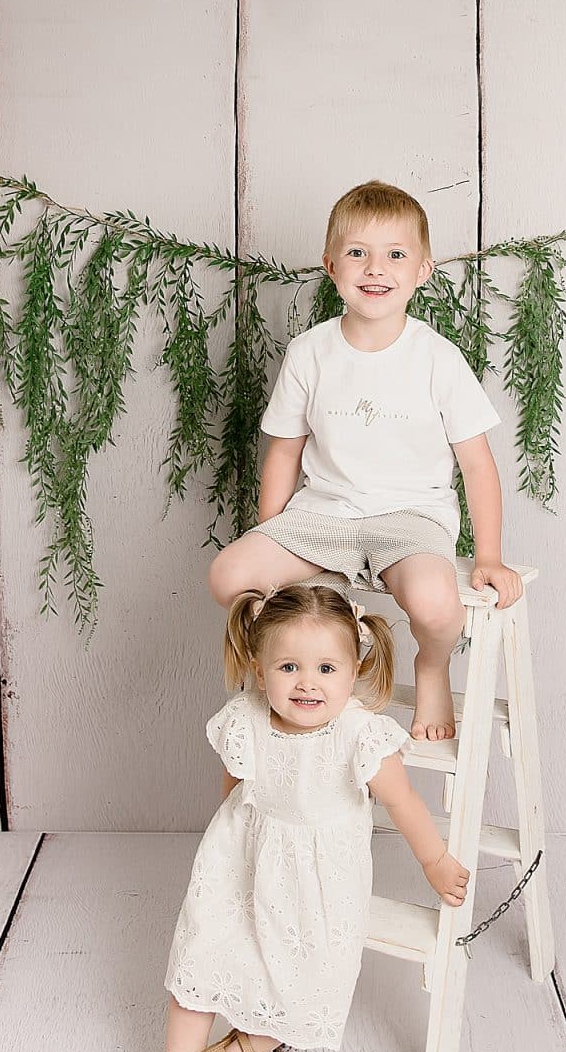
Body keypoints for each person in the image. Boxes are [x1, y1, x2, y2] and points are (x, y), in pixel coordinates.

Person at [110, 583, 470, 1052]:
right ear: (259, 667)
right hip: (241, 862)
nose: (307, 682)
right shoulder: (246, 719)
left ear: (355, 669)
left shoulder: (359, 734)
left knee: (312, 979)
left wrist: (435, 860)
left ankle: (248, 1045)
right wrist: (224, 852)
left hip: (318, 884)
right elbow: (234, 786)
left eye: (326, 667)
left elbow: (403, 803)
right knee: (198, 960)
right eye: (289, 666)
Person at [208, 177, 523, 744]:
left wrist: (490, 555)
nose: (375, 269)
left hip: (409, 517)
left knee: (433, 601)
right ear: (332, 267)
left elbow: (477, 465)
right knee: (229, 573)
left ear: (423, 269)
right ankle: (312, 662)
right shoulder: (311, 353)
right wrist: (272, 532)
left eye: (395, 255)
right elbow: (285, 450)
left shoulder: (437, 359)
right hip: (324, 514)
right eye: (358, 253)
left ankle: (431, 664)